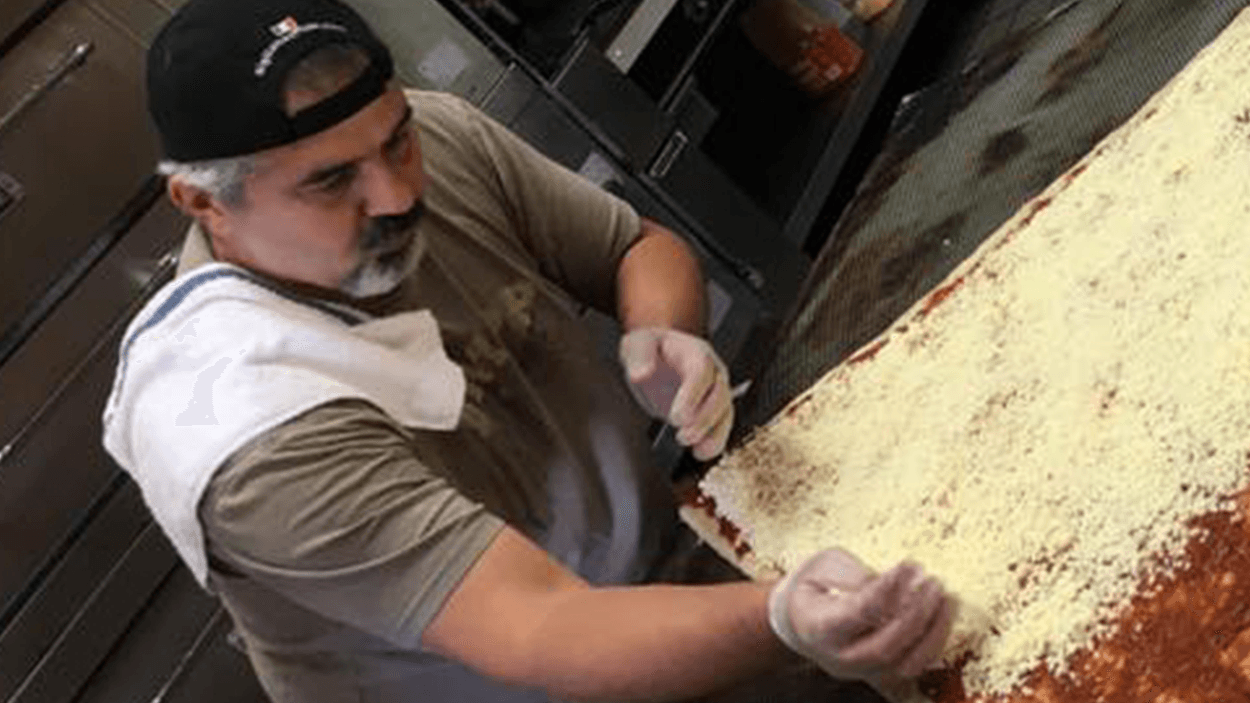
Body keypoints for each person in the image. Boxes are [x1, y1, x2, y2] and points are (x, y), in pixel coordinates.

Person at [102, 0, 954, 700]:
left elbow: (634, 248)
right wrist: (783, 623)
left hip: (670, 574)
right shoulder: (248, 425)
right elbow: (546, 629)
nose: (398, 193)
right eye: (330, 181)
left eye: (396, 140)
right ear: (203, 202)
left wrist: (664, 330)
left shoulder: (435, 139)